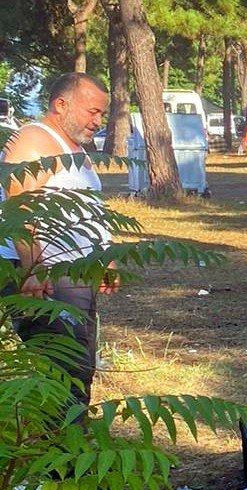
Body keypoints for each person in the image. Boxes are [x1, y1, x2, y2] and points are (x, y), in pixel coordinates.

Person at [0, 72, 114, 409]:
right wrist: (31, 270)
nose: (98, 121)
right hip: (45, 274)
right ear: (61, 104)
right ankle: (60, 441)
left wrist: (104, 256)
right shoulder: (35, 140)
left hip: (73, 273)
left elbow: (89, 210)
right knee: (63, 369)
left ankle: (73, 435)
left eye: (102, 113)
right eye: (92, 111)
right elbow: (19, 207)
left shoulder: (75, 149)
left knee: (80, 364)